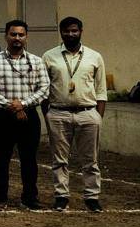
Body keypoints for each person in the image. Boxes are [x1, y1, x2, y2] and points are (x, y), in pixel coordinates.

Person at [0, 20, 50, 210]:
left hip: (28, 117)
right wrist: (12, 106)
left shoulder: (37, 62)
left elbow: (44, 89)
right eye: (13, 34)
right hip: (2, 117)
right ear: (6, 36)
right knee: (1, 159)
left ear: (26, 37)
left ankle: (29, 197)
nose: (17, 38)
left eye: (21, 35)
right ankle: (0, 197)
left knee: (29, 159)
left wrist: (23, 104)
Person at [42, 17, 107, 212]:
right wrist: (48, 115)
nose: (71, 34)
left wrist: (97, 116)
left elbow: (101, 89)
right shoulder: (49, 56)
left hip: (88, 113)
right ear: (60, 32)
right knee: (59, 160)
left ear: (81, 31)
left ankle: (92, 197)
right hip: (58, 113)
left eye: (74, 31)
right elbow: (44, 90)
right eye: (67, 31)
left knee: (90, 160)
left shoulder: (95, 57)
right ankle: (61, 196)